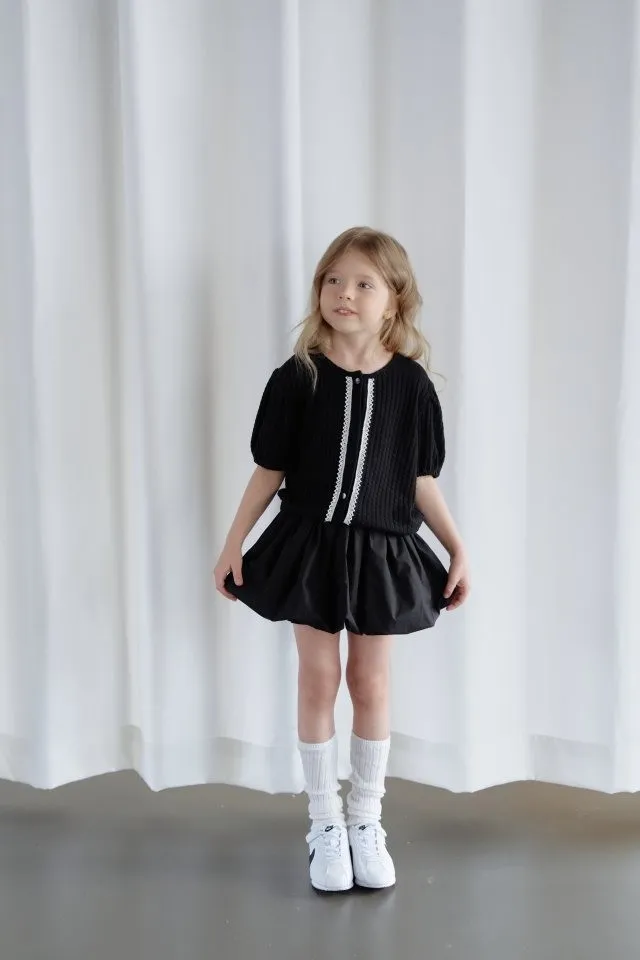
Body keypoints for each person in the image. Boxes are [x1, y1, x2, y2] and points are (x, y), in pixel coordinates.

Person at [213, 226, 470, 893]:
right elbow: (269, 469)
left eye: (363, 283)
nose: (344, 294)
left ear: (394, 300)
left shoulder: (412, 386)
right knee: (319, 676)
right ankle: (324, 821)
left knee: (371, 682)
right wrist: (234, 540)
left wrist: (456, 546)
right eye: (333, 280)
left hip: (383, 550)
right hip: (311, 548)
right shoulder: (297, 377)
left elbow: (419, 479)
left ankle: (365, 818)